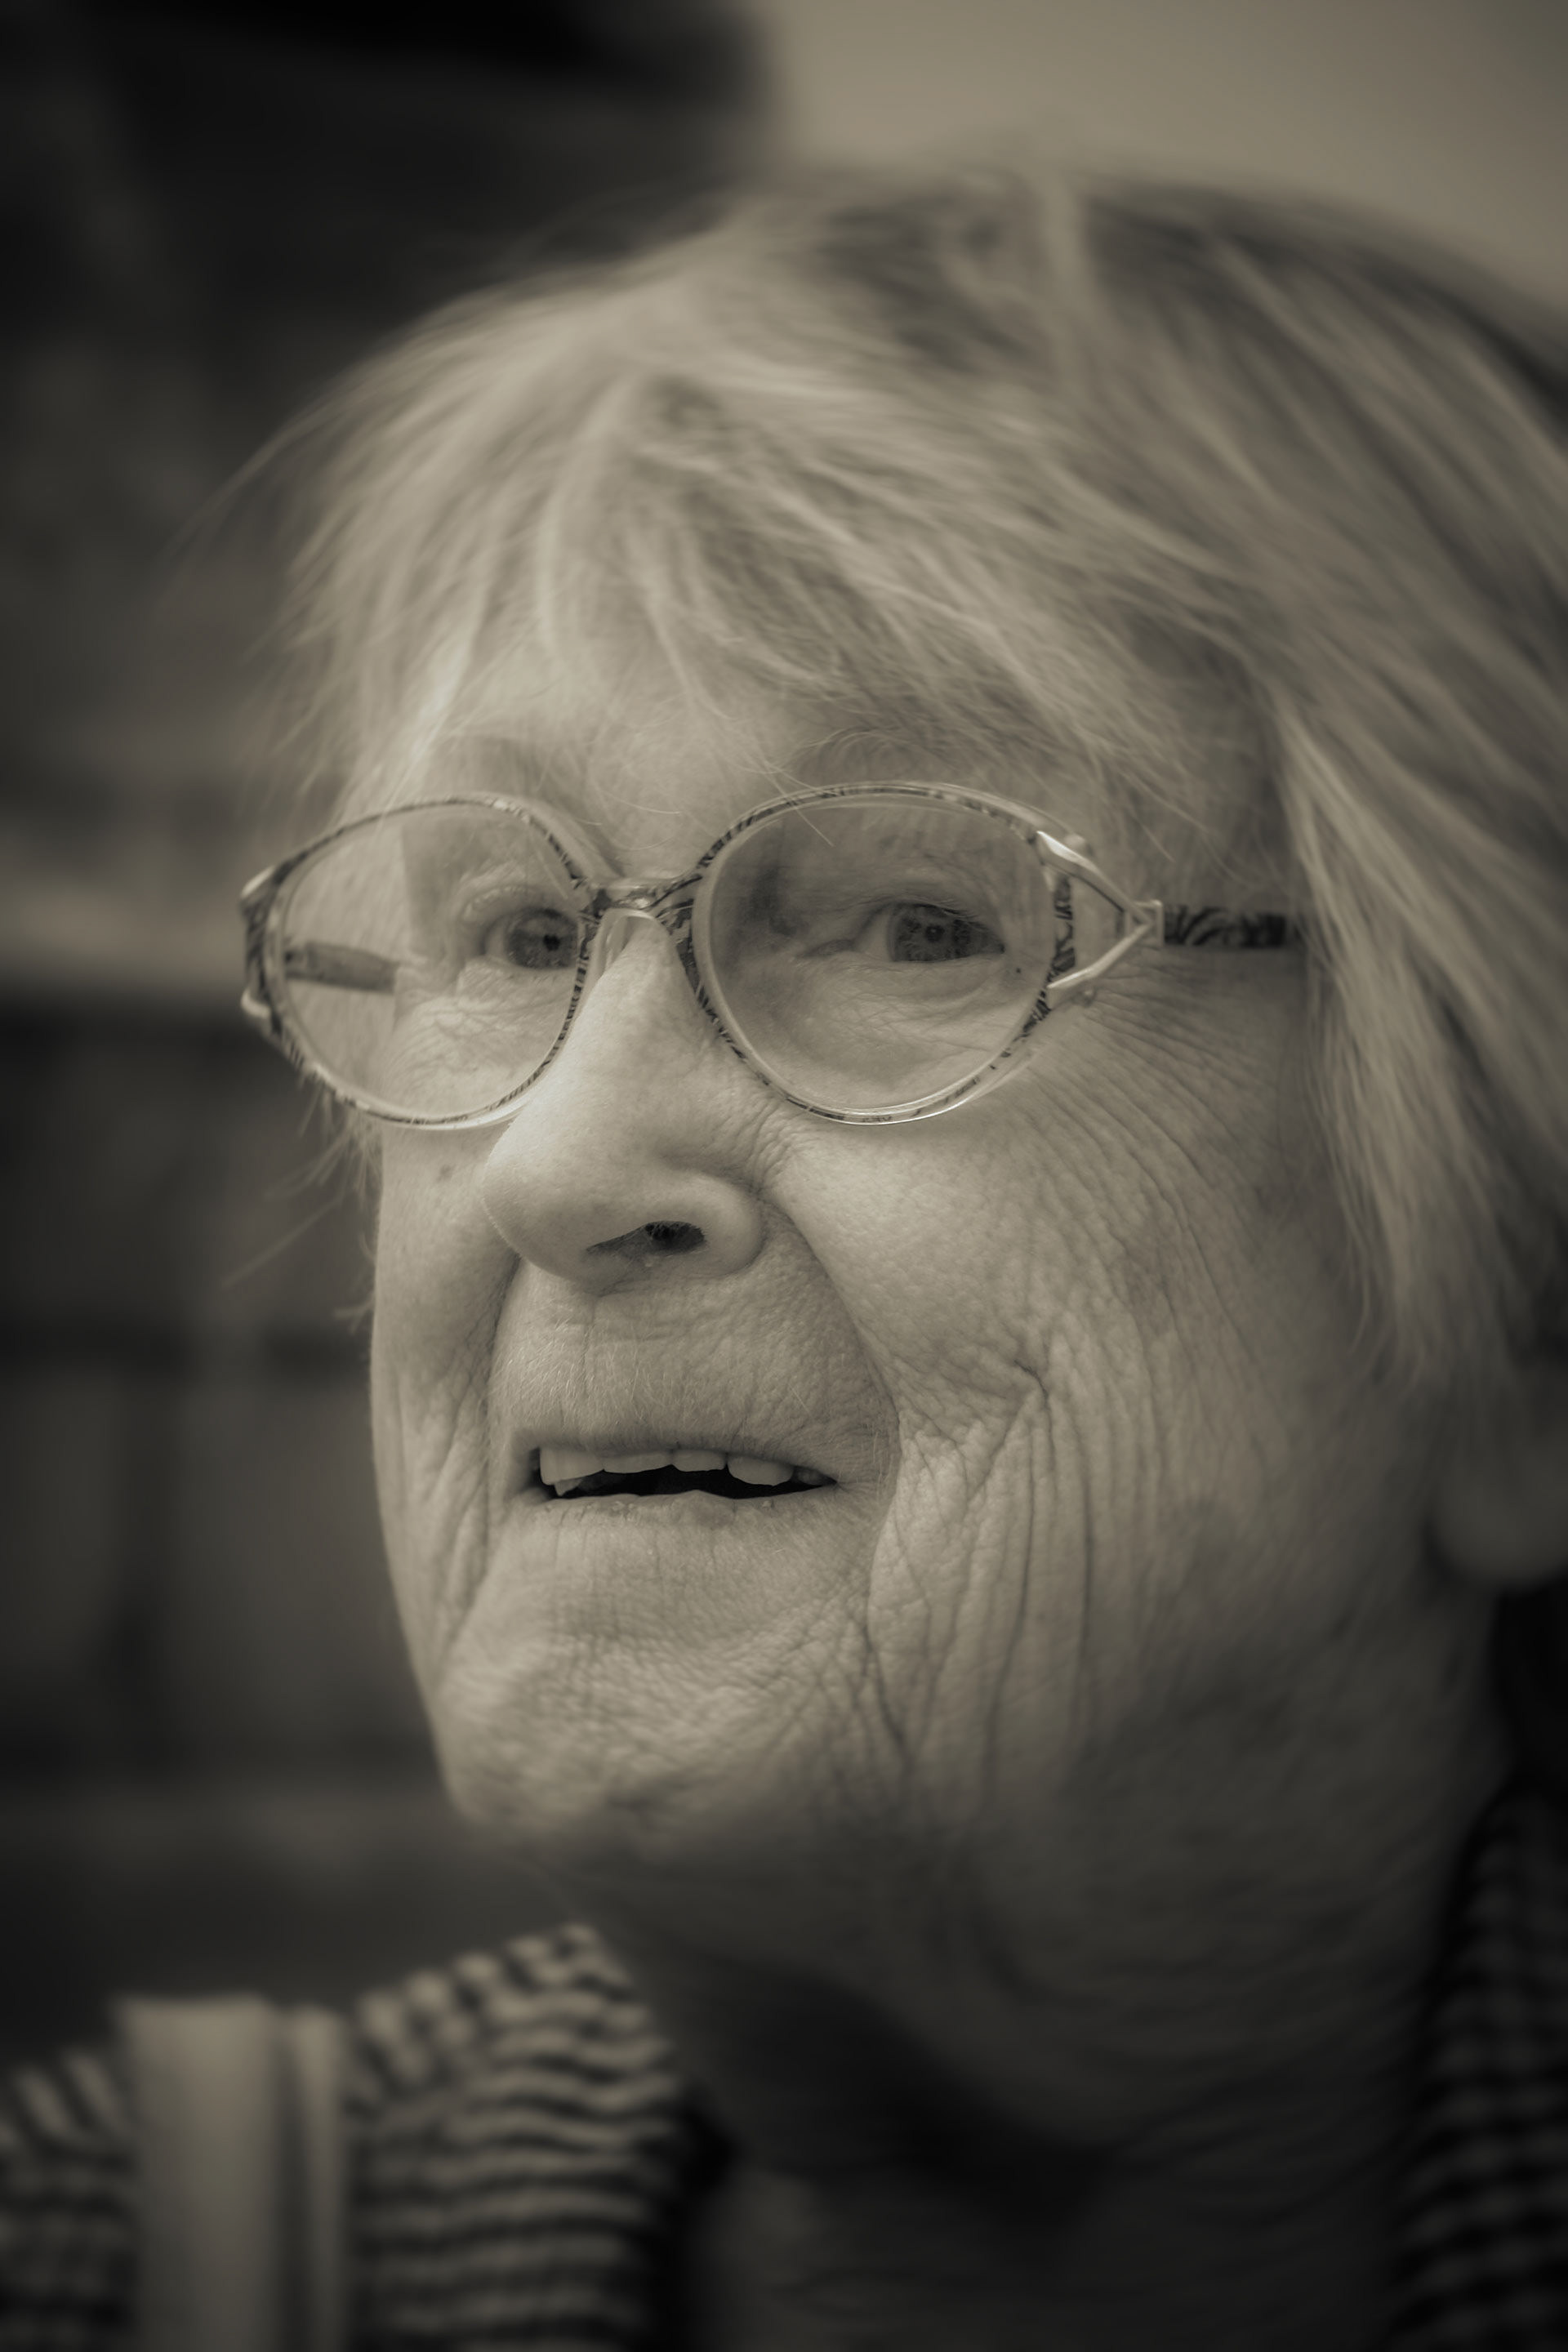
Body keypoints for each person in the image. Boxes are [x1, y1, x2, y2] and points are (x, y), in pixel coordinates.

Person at [5, 160, 1568, 2351]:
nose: (557, 1165)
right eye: (515, 935)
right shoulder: (98, 2276)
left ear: (1528, 1313)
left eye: (920, 927)